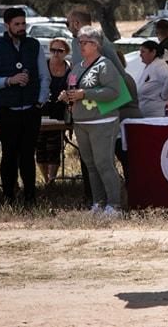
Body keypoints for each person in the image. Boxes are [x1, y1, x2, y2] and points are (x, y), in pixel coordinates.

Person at [0, 6, 50, 205]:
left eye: (23, 23)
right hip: (7, 109)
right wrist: (8, 81)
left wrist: (41, 100)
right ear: (7, 25)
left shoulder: (34, 45)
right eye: (17, 24)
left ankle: (30, 197)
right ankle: (9, 196)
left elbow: (44, 75)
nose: (21, 27)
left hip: (31, 109)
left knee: (28, 155)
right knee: (9, 154)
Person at [58, 25, 124, 217]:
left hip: (103, 121)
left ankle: (115, 204)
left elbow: (114, 92)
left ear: (95, 44)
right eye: (80, 42)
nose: (81, 46)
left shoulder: (105, 65)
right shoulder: (78, 67)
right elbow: (73, 87)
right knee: (90, 164)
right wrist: (67, 95)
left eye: (85, 42)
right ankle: (98, 202)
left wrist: (85, 93)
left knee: (104, 163)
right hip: (82, 122)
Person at [36, 37, 70, 185]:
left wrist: (67, 95)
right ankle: (46, 179)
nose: (56, 54)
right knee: (40, 148)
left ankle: (52, 179)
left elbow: (74, 88)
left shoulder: (70, 69)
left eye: (60, 50)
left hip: (59, 114)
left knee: (55, 148)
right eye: (53, 50)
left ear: (66, 52)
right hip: (41, 112)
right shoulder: (42, 67)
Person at [136, 40, 168, 118]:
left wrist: (164, 94)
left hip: (158, 114)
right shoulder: (150, 66)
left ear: (153, 52)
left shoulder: (158, 65)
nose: (140, 55)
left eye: (143, 52)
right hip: (148, 114)